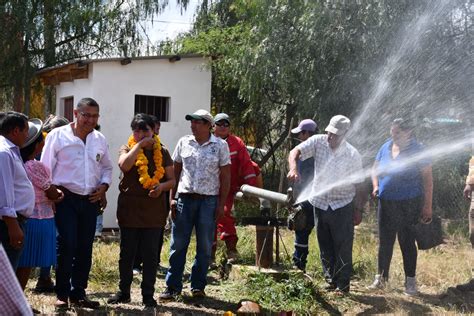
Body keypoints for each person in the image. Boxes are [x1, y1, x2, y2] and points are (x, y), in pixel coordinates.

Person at [41, 98, 113, 309]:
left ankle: (79, 293)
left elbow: (107, 168)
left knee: (84, 247)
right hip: (65, 198)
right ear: (75, 113)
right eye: (86, 115)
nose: (90, 120)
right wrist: (50, 196)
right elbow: (45, 169)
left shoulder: (99, 139)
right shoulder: (58, 135)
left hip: (90, 200)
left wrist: (104, 186)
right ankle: (62, 294)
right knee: (67, 244)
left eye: (94, 116)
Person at [287, 115, 365, 294]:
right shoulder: (317, 141)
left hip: (342, 204)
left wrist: (358, 209)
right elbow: (295, 152)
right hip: (320, 202)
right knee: (325, 243)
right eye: (329, 133)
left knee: (343, 245)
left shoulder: (353, 155)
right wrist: (293, 168)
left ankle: (343, 285)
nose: (330, 137)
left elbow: (360, 186)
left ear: (344, 135)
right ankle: (330, 279)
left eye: (335, 135)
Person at [160, 109, 230, 301]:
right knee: (178, 244)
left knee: (205, 246)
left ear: (209, 125)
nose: (193, 125)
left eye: (198, 122)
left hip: (208, 201)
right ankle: (172, 286)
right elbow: (175, 172)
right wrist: (172, 199)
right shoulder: (184, 142)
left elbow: (225, 177)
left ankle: (198, 286)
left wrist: (221, 205)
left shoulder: (220, 146)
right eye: (192, 121)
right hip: (184, 199)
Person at [107, 114, 174, 308]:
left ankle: (148, 295)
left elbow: (171, 180)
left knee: (151, 255)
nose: (141, 134)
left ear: (154, 131)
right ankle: (124, 292)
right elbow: (124, 165)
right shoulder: (127, 147)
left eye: (145, 130)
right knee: (127, 253)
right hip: (130, 209)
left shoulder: (163, 151)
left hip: (154, 211)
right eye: (136, 130)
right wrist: (139, 146)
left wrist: (161, 188)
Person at [369, 118, 433, 296]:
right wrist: (376, 186)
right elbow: (375, 169)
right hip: (386, 202)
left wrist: (427, 206)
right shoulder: (385, 147)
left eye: (397, 132)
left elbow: (428, 180)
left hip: (409, 204)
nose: (393, 135)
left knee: (406, 242)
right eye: (392, 132)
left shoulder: (418, 150)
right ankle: (381, 279)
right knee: (385, 241)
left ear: (408, 132)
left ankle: (410, 283)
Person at [16, 119, 63, 290]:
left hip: (26, 218)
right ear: (37, 146)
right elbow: (52, 193)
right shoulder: (34, 166)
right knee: (24, 265)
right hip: (38, 218)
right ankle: (17, 303)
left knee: (21, 264)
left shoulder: (18, 162)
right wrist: (59, 194)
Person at [213, 113, 257, 261]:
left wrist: (251, 189)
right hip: (208, 188)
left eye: (226, 124)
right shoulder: (208, 141)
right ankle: (209, 256)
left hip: (228, 189)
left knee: (225, 215)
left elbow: (247, 165)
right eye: (220, 124)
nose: (223, 127)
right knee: (207, 220)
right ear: (213, 126)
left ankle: (232, 250)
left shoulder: (237, 143)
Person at [35, 115, 69, 294]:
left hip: (47, 198)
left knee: (51, 239)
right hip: (51, 197)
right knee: (55, 239)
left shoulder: (38, 145)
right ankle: (46, 276)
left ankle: (45, 276)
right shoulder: (46, 146)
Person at [0, 111, 35, 270]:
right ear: (15, 131)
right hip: (7, 224)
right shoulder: (4, 153)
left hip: (12, 221)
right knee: (5, 274)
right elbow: (4, 190)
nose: (27, 135)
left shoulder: (10, 150)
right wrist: (13, 225)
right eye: (26, 131)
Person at [289, 118, 318, 271]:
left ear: (307, 133)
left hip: (309, 198)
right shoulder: (306, 150)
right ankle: (298, 261)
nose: (299, 137)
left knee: (302, 229)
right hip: (302, 196)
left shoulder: (310, 153)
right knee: (300, 228)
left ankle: (299, 263)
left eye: (300, 133)